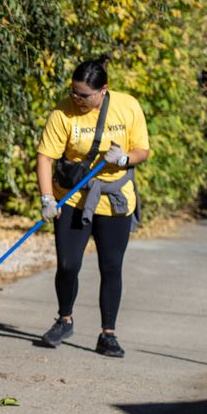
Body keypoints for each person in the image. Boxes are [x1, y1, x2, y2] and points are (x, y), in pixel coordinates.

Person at [35, 56, 150, 358]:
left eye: (84, 95)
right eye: (74, 92)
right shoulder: (63, 112)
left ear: (103, 91)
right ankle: (64, 319)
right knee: (67, 264)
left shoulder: (128, 106)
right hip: (72, 198)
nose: (77, 99)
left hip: (113, 200)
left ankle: (108, 334)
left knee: (111, 267)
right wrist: (47, 198)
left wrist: (124, 159)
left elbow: (143, 150)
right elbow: (46, 157)